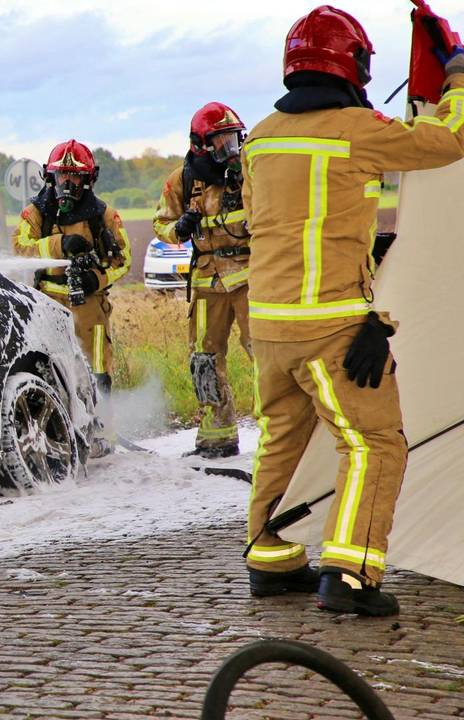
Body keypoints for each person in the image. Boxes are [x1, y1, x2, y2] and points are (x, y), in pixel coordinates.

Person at [241, 5, 464, 615]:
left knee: (281, 438)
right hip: (329, 325)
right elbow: (452, 140)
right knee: (374, 442)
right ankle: (351, 575)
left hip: (268, 326)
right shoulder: (357, 127)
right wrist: (458, 81)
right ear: (355, 64)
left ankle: (270, 560)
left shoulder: (258, 138)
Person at [154, 103, 253, 460]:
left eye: (233, 139)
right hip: (207, 280)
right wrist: (178, 229)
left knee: (265, 349)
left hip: (250, 276)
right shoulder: (181, 179)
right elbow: (161, 223)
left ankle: (283, 432)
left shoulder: (250, 171)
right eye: (221, 141)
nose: (230, 148)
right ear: (200, 144)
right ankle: (217, 436)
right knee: (205, 358)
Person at [12, 139, 131, 401]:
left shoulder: (103, 215)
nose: (67, 184)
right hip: (48, 304)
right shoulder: (35, 213)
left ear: (88, 179)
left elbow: (124, 260)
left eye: (75, 177)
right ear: (50, 176)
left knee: (98, 375)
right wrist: (58, 244)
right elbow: (20, 247)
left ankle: (102, 435)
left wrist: (95, 280)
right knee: (47, 373)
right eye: (62, 175)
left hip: (91, 308)